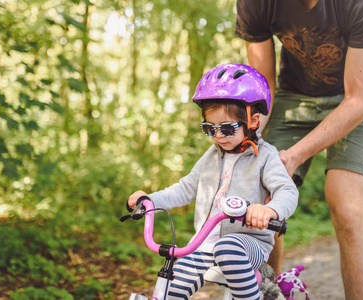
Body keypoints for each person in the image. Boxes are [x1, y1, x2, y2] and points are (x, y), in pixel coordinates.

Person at [128, 63, 298, 300]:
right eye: (209, 128)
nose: (217, 136)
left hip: (248, 244)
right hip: (202, 246)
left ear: (253, 121)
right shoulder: (210, 157)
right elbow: (185, 189)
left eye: (227, 129)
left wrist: (269, 210)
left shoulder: (266, 157)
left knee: (227, 247)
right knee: (171, 286)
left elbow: (287, 191)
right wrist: (149, 200)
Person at [234, 0, 363, 299]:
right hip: (292, 97)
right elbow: (263, 83)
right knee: (260, 194)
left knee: (349, 208)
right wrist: (247, 135)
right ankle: (269, 292)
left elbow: (359, 98)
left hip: (354, 100)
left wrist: (295, 155)